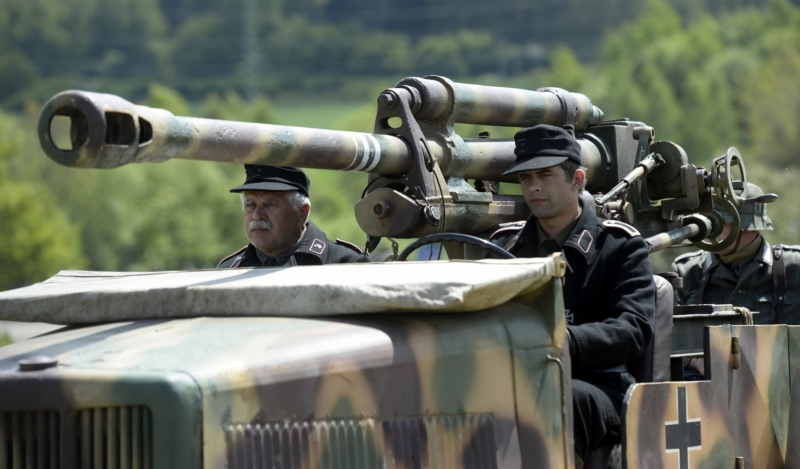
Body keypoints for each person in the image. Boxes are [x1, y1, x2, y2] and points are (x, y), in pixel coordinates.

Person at [490, 125, 655, 466]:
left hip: (596, 386)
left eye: (545, 175)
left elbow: (634, 328)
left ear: (577, 179)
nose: (533, 185)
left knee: (560, 398)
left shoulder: (620, 247)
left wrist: (569, 341)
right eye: (525, 178)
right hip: (516, 377)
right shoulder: (503, 249)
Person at [672, 182, 800, 376]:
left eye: (719, 222)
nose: (709, 230)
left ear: (749, 228)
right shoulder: (688, 271)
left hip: (782, 392)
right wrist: (692, 361)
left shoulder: (794, 268)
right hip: (712, 394)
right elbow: (666, 341)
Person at [217, 165, 368, 268]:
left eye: (271, 204)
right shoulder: (228, 270)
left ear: (302, 212)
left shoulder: (346, 264)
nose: (257, 216)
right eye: (250, 205)